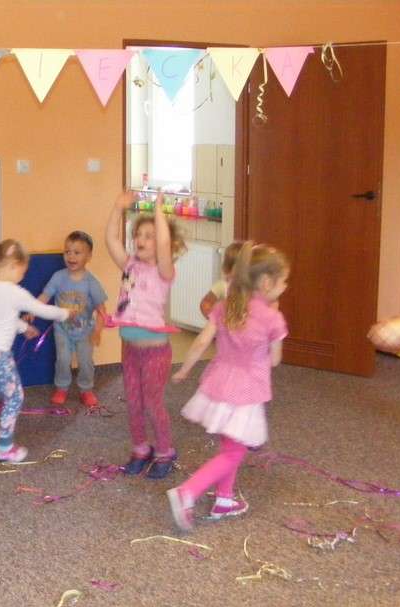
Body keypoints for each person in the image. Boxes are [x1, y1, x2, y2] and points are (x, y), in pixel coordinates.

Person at [167, 243, 290, 531]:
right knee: (234, 452)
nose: (285, 287)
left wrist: (184, 370)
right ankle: (187, 492)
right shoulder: (272, 318)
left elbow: (201, 341)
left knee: (230, 445)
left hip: (218, 385)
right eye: (283, 281)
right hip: (246, 393)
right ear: (266, 282)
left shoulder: (225, 307)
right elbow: (275, 360)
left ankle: (224, 499)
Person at [0, 239, 75, 467]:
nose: (22, 276)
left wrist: (23, 327)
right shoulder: (14, 292)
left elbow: (1, 317)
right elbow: (41, 309)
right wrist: (65, 313)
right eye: (23, 271)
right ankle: (3, 446)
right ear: (12, 266)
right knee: (14, 397)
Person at [105, 190, 186, 479]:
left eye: (149, 236)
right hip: (130, 348)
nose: (141, 239)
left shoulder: (165, 271)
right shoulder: (129, 265)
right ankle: (140, 448)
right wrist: (117, 207)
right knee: (133, 401)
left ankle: (165, 451)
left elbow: (163, 245)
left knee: (152, 403)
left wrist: (159, 212)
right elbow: (111, 240)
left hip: (155, 352)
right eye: (138, 234)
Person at [37, 231, 108, 407]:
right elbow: (45, 296)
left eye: (77, 252)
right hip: (62, 329)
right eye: (67, 252)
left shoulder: (91, 282)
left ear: (88, 256)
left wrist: (98, 331)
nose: (71, 256)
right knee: (62, 359)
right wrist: (33, 308)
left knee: (85, 362)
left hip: (85, 331)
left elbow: (102, 310)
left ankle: (86, 389)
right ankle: (62, 387)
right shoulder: (58, 277)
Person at [199, 241, 243, 319]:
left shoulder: (253, 288)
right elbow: (205, 304)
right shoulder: (222, 286)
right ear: (228, 269)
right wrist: (216, 320)